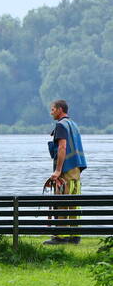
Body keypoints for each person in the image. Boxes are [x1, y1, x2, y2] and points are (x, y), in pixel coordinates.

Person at [44, 99, 87, 245]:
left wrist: (57, 170)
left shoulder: (61, 125)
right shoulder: (73, 125)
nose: (51, 112)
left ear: (60, 109)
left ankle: (60, 237)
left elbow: (62, 148)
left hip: (65, 170)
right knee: (74, 202)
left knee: (61, 201)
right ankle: (75, 236)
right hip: (76, 168)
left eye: (53, 109)